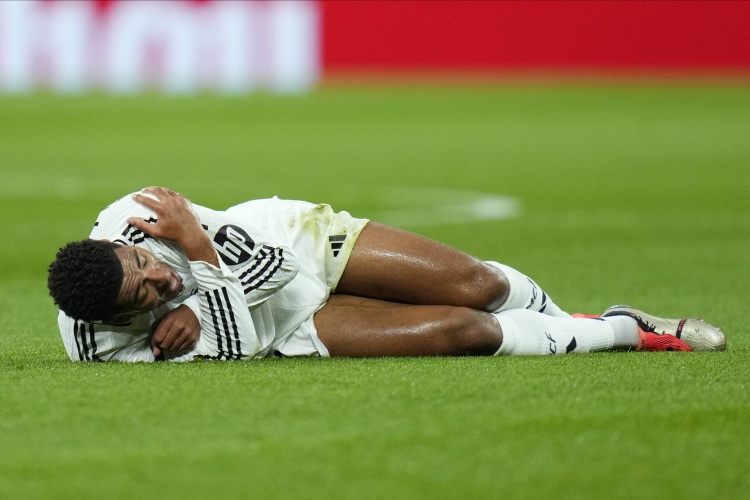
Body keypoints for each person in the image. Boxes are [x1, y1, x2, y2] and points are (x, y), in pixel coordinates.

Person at [48, 187, 726, 362]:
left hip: (294, 242)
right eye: (145, 295)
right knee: (463, 330)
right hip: (286, 330)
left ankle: (562, 320)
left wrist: (196, 258)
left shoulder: (139, 215)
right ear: (115, 320)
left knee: (480, 287)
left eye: (147, 265)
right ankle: (623, 330)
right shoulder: (94, 344)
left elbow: (276, 269)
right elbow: (238, 349)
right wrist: (212, 311)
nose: (161, 280)